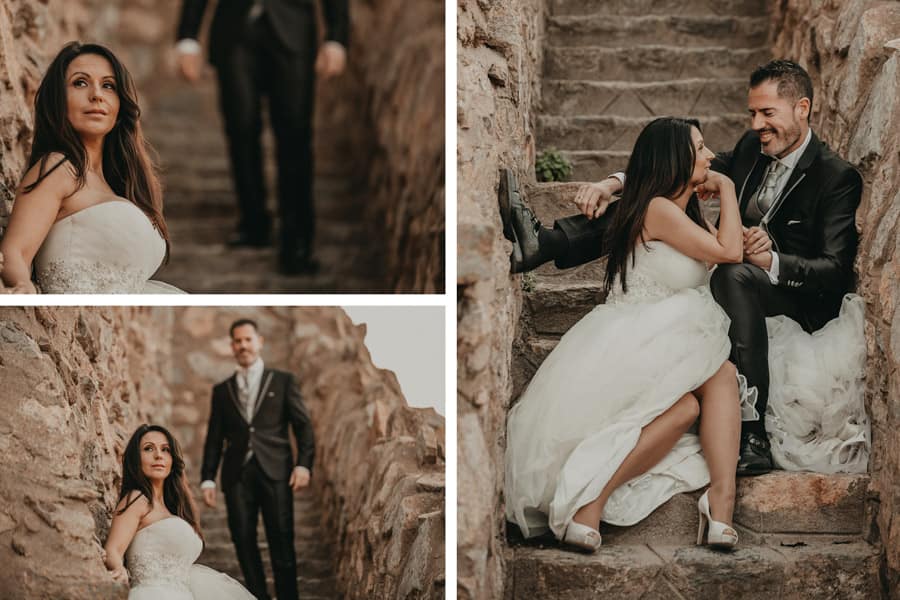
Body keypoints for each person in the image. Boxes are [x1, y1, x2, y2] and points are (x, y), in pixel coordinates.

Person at [502, 60, 868, 475]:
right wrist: (613, 183)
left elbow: (834, 270)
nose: (756, 124)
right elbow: (675, 166)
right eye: (752, 113)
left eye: (767, 113)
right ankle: (546, 244)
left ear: (802, 108)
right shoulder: (753, 148)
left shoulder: (836, 177)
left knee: (730, 271)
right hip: (729, 277)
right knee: (651, 205)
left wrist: (772, 259)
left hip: (787, 297)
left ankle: (752, 433)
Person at [506, 117, 748, 552]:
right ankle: (595, 502)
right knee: (698, 395)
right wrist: (727, 188)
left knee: (713, 383)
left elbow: (730, 247)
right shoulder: (658, 210)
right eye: (700, 148)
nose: (711, 156)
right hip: (636, 339)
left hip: (664, 338)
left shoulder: (682, 214)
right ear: (675, 159)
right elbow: (729, 252)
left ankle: (720, 503)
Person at [175, 0, 349, 275]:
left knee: (295, 133)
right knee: (240, 127)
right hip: (234, 30)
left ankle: (297, 242)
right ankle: (253, 222)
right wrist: (188, 38)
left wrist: (336, 38)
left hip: (293, 31)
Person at [0, 42, 183, 294]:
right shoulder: (58, 168)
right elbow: (15, 252)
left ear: (120, 106)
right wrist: (24, 289)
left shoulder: (120, 186)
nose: (97, 95)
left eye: (108, 86)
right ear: (58, 101)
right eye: (80, 83)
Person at [200, 319, 316, 600]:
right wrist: (207, 478)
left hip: (276, 470)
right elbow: (214, 437)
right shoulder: (222, 391)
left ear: (259, 342)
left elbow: (303, 426)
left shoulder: (283, 381)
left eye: (248, 340)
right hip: (236, 475)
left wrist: (303, 464)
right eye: (237, 341)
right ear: (232, 346)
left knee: (281, 538)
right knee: (242, 539)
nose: (243, 346)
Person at [104, 424, 254, 598]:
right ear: (136, 458)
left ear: (172, 459)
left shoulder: (175, 509)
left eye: (165, 450)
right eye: (148, 448)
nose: (158, 455)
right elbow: (113, 549)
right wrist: (119, 571)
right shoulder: (137, 499)